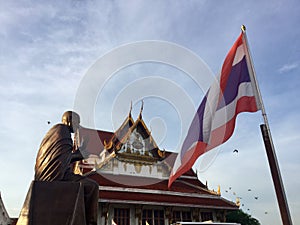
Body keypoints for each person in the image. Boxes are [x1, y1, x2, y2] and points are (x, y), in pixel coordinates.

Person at [34, 111, 98, 225]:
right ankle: (90, 223)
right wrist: (79, 154)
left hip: (52, 173)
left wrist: (79, 153)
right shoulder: (63, 132)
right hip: (55, 176)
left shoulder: (55, 131)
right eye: (77, 123)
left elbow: (62, 158)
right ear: (70, 121)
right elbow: (62, 160)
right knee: (92, 187)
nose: (77, 126)